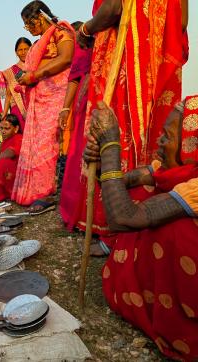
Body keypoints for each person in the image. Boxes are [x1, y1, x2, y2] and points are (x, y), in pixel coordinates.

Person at [83, 93, 198, 360]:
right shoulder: (188, 169)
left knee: (178, 232)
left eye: (167, 137)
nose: (160, 142)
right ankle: (153, 307)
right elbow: (123, 183)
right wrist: (100, 162)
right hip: (197, 283)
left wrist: (111, 145)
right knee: (146, 191)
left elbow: (123, 217)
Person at [75, 0, 189, 248]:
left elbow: (114, 7)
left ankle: (120, 226)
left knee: (114, 130)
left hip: (127, 55)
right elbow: (180, 21)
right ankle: (144, 219)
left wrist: (85, 29)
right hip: (160, 58)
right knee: (155, 134)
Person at [11, 0, 74, 213]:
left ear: (41, 16)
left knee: (50, 145)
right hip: (41, 99)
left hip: (56, 97)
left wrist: (34, 75)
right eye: (26, 25)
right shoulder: (39, 43)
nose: (29, 28)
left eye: (30, 22)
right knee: (39, 146)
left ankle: (47, 192)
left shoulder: (60, 31)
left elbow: (66, 58)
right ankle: (36, 190)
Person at [58, 21, 93, 229]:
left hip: (95, 97)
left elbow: (74, 78)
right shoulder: (82, 48)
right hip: (87, 97)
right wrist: (65, 109)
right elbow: (74, 77)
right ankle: (80, 212)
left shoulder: (88, 40)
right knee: (80, 152)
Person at [2, 37, 32, 132]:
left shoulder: (38, 67)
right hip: (18, 111)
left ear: (31, 49)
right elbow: (8, 95)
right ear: (16, 52)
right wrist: (4, 114)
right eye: (20, 50)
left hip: (35, 108)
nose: (23, 52)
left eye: (26, 49)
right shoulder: (10, 72)